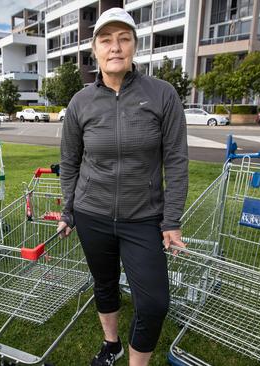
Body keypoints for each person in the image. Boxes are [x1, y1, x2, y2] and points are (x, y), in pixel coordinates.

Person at [57, 7, 189, 366]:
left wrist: (172, 220)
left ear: (134, 46)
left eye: (124, 39)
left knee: (154, 302)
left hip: (143, 217)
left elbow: (176, 160)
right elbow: (69, 162)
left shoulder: (162, 95)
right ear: (94, 50)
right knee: (105, 284)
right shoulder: (80, 102)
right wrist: (69, 210)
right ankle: (111, 343)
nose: (115, 47)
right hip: (92, 214)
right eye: (106, 40)